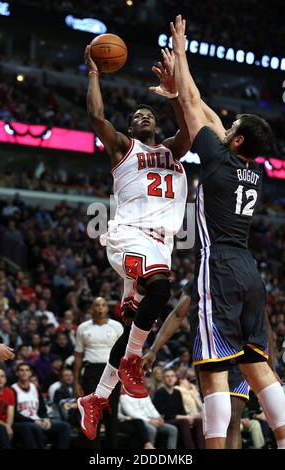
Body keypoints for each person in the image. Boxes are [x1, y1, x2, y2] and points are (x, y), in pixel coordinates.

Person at [170, 14, 285, 449]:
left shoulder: (216, 161)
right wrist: (183, 72)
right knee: (258, 366)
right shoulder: (249, 171)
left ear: (234, 141)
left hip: (217, 266)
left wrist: (181, 53)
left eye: (231, 126)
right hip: (250, 272)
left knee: (212, 368)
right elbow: (203, 106)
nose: (226, 124)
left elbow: (192, 103)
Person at [77, 44, 190, 441]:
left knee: (132, 327)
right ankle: (131, 363)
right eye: (136, 116)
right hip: (128, 235)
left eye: (148, 115)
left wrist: (175, 94)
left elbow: (190, 128)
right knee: (161, 287)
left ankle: (97, 397)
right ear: (131, 127)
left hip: (161, 244)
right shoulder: (124, 148)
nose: (142, 117)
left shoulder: (173, 150)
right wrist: (94, 74)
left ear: (156, 126)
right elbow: (96, 117)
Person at [142, 279, 249, 448]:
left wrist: (154, 349)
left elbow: (178, 314)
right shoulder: (202, 277)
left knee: (226, 422)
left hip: (226, 353)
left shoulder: (221, 275)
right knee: (226, 423)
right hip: (217, 355)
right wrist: (154, 349)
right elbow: (178, 314)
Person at [74, 297, 123, 448]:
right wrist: (76, 381)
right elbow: (78, 356)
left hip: (112, 372)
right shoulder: (83, 327)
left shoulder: (117, 326)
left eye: (103, 305)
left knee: (111, 414)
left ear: (107, 308)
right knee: (91, 414)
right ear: (92, 308)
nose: (100, 308)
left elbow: (124, 353)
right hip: (91, 372)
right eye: (97, 305)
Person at [12, 362, 71, 449]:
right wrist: (33, 421)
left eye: (27, 370)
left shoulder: (35, 388)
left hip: (38, 420)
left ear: (30, 373)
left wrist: (45, 419)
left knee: (65, 426)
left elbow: (42, 409)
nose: (24, 372)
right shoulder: (13, 389)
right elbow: (14, 414)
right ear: (17, 373)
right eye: (21, 370)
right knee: (34, 427)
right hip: (23, 422)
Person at [153, 368, 204, 449]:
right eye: (167, 376)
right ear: (163, 379)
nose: (170, 378)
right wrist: (183, 417)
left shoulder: (177, 392)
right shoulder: (160, 392)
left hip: (178, 419)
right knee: (184, 421)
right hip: (165, 420)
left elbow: (182, 410)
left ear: (175, 378)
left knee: (198, 421)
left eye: (172, 376)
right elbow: (163, 413)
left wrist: (188, 417)